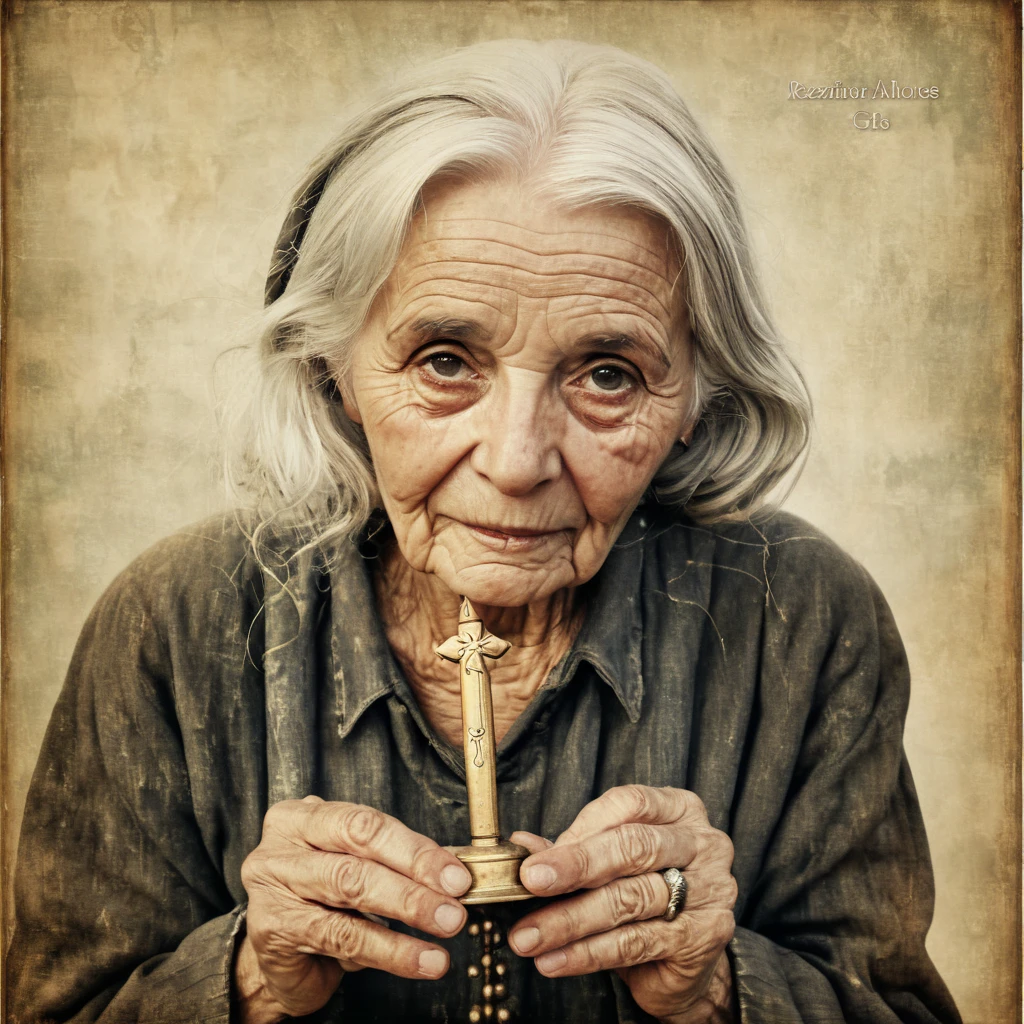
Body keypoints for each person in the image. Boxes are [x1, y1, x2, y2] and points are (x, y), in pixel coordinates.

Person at [7, 39, 961, 1024]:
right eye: (444, 359)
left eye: (606, 373)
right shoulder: (174, 622)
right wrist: (249, 977)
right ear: (334, 367)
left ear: (696, 394)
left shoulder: (803, 621)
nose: (515, 459)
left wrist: (719, 988)